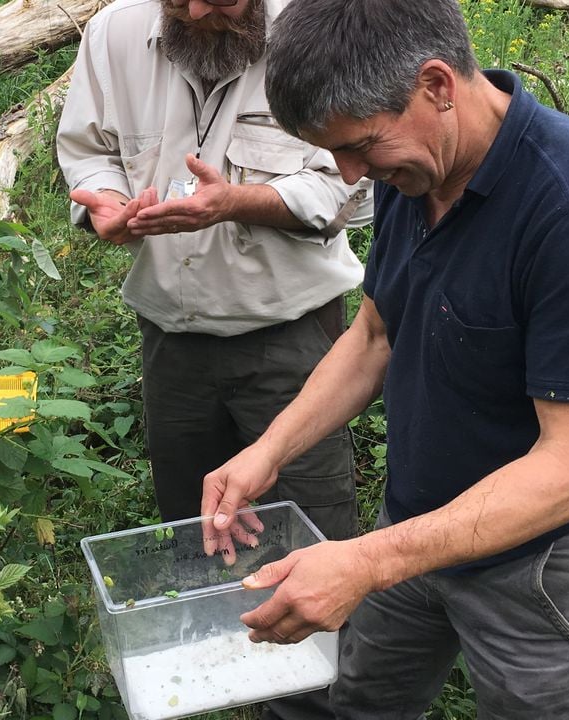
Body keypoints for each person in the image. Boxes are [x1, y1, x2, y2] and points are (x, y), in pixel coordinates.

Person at [200, 0, 569, 717]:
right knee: (355, 700)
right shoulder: (414, 172)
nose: (350, 174)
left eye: (360, 145)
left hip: (543, 562)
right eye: (334, 154)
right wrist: (269, 450)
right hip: (415, 520)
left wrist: (364, 561)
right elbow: (375, 337)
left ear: (438, 85)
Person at [56, 1, 372, 716]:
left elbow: (352, 186)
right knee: (197, 531)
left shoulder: (315, 28)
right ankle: (224, 681)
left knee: (307, 530)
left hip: (290, 336)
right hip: (172, 339)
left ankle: (317, 698)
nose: (197, 12)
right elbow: (88, 148)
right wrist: (104, 203)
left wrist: (239, 202)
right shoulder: (113, 33)